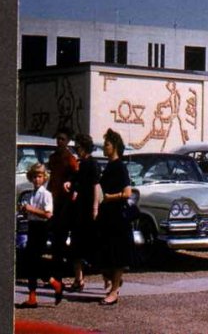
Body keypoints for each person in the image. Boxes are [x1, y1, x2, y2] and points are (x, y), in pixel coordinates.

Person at [17, 163, 64, 308]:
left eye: (40, 177)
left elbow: (48, 214)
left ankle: (55, 283)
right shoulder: (31, 194)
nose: (37, 180)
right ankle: (32, 296)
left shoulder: (46, 194)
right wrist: (25, 210)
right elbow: (31, 212)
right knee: (29, 261)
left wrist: (32, 209)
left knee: (35, 261)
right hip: (32, 227)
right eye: (35, 177)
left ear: (44, 178)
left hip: (41, 228)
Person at [96, 128, 134, 306]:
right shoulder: (109, 166)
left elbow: (127, 192)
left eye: (107, 144)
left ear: (115, 147)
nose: (104, 147)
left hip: (118, 216)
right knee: (105, 253)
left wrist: (110, 197)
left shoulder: (120, 166)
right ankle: (114, 282)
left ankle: (114, 291)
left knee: (118, 255)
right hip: (107, 216)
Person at [65, 133, 100, 292]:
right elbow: (77, 182)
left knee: (93, 246)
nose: (76, 150)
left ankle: (108, 281)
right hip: (78, 208)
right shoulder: (82, 164)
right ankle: (78, 279)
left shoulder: (92, 164)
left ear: (84, 147)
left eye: (78, 147)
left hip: (87, 208)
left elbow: (95, 187)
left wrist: (95, 207)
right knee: (76, 245)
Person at [47, 128, 79, 280]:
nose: (59, 141)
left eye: (62, 139)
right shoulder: (53, 158)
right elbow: (52, 177)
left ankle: (59, 273)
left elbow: (75, 176)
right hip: (53, 200)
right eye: (58, 138)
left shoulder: (70, 158)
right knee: (54, 238)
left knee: (60, 238)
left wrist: (70, 183)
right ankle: (54, 271)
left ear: (67, 141)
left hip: (64, 203)